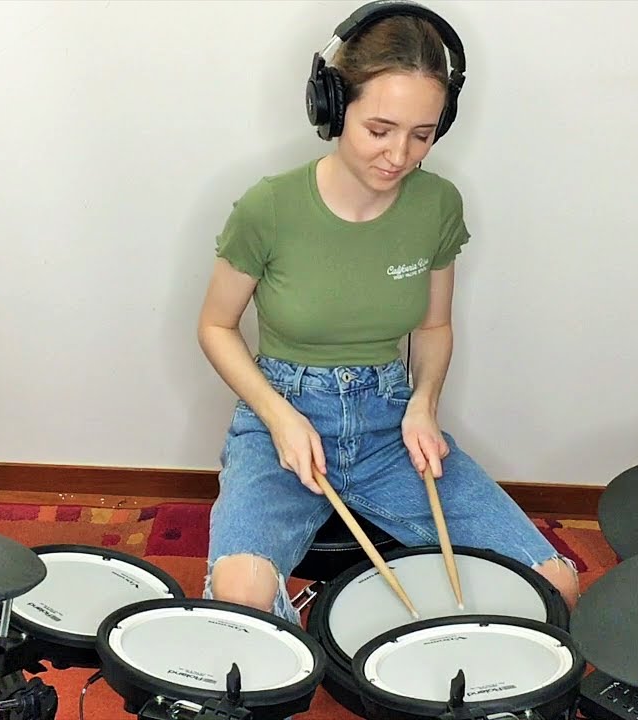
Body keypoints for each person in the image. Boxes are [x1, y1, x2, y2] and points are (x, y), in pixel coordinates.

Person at [196, 0, 580, 626]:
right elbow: (215, 327)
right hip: (282, 420)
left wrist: (424, 404)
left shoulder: (438, 205)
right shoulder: (268, 207)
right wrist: (280, 418)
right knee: (242, 598)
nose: (399, 155)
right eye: (380, 129)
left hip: (391, 423)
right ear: (332, 107)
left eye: (421, 135)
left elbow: (433, 326)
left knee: (553, 586)